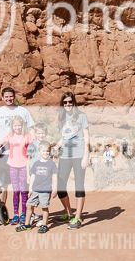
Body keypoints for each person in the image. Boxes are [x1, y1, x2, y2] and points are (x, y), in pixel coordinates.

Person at [0, 87, 35, 216]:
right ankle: (2, 210)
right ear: (2, 97)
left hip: (22, 154)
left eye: (11, 96)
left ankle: (26, 213)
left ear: (14, 96)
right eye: (6, 97)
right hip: (4, 154)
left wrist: (32, 145)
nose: (9, 99)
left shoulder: (23, 111)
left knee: (23, 185)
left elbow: (32, 129)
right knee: (3, 184)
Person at [54, 92, 89, 229]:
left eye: (70, 102)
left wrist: (86, 155)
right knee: (60, 186)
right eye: (65, 102)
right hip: (64, 156)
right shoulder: (62, 118)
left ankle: (78, 218)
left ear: (74, 102)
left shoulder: (81, 116)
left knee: (79, 185)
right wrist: (57, 145)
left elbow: (86, 136)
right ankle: (69, 214)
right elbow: (65, 136)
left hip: (79, 154)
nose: (68, 104)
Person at [17, 142, 57, 234]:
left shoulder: (51, 164)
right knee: (29, 205)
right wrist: (30, 188)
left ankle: (44, 225)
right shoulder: (36, 163)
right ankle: (27, 225)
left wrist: (55, 188)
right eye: (44, 151)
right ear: (39, 152)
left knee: (44, 207)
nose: (46, 153)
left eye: (47, 151)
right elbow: (33, 176)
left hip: (45, 190)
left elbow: (54, 177)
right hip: (35, 189)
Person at [0, 116, 31, 225]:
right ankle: (16, 214)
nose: (17, 127)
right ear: (12, 126)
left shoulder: (27, 137)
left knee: (23, 191)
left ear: (22, 126)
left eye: (19, 125)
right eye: (15, 125)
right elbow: (0, 144)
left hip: (23, 166)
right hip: (12, 166)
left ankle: (24, 214)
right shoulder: (10, 136)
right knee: (16, 191)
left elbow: (34, 147)